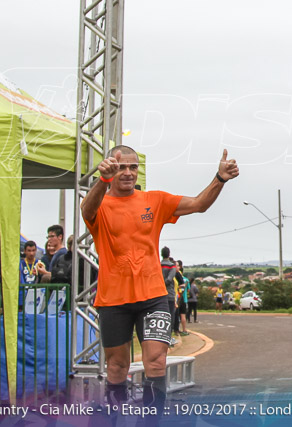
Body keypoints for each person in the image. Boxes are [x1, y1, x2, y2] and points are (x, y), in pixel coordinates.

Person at [82, 145, 238, 411]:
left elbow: (199, 204)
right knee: (117, 366)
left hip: (153, 297)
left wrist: (220, 178)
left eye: (133, 167)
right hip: (113, 299)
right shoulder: (101, 203)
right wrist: (102, 181)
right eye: (121, 167)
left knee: (155, 361)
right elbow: (87, 210)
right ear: (110, 168)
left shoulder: (154, 200)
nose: (128, 173)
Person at [160, 247, 180, 343]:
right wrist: (163, 284)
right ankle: (168, 338)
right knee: (170, 316)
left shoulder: (158, 265)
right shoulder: (172, 266)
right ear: (169, 254)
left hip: (158, 294)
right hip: (169, 294)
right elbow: (169, 279)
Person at [176, 261, 190, 336]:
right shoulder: (186, 280)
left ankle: (176, 329)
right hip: (184, 299)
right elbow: (188, 290)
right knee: (183, 315)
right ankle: (184, 329)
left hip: (177, 299)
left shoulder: (175, 277)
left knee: (176, 315)